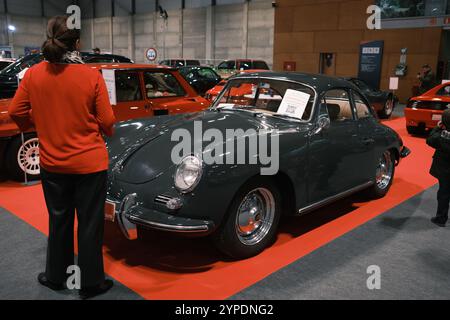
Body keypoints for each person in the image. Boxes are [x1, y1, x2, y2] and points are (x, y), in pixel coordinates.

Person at [8, 16, 116, 299]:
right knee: (90, 224)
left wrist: (41, 122)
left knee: (59, 221)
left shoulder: (33, 75)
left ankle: (56, 277)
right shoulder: (90, 75)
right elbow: (108, 121)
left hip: (53, 164)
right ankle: (91, 283)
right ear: (77, 43)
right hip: (90, 164)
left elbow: (17, 113)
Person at [426, 109, 450, 227]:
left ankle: (441, 218)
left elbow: (430, 139)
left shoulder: (441, 136)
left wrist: (437, 127)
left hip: (444, 170)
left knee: (444, 194)